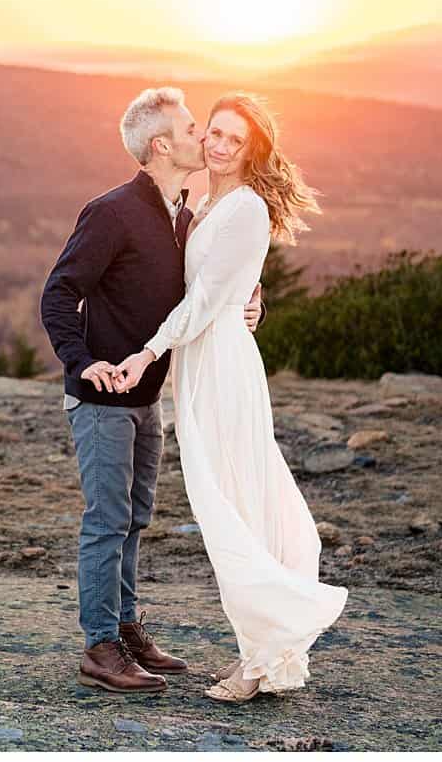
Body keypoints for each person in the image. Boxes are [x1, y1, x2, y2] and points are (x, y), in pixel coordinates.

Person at [110, 91, 348, 702]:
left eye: (231, 140)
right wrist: (254, 292)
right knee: (228, 509)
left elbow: (205, 299)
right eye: (212, 133)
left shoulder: (244, 207)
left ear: (252, 151)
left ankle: (259, 662)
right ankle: (264, 649)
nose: (216, 145)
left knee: (231, 511)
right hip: (203, 364)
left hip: (221, 367)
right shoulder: (204, 200)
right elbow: (222, 280)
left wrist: (148, 350)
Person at [39, 87, 264, 694]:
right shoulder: (110, 212)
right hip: (103, 398)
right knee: (107, 521)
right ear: (163, 145)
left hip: (147, 398)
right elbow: (59, 294)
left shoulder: (182, 215)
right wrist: (82, 362)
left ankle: (129, 628)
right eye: (194, 129)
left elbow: (209, 286)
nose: (204, 138)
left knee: (135, 518)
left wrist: (253, 300)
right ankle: (100, 647)